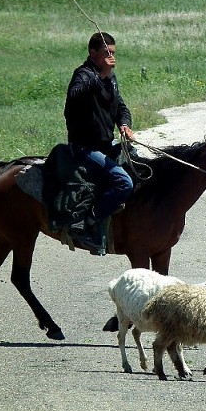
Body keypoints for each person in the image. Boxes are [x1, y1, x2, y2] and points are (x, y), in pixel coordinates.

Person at [64, 32, 134, 252]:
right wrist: (100, 76)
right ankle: (87, 224)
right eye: (106, 53)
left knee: (138, 166)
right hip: (84, 148)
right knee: (125, 182)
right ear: (92, 53)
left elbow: (121, 107)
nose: (111, 58)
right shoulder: (83, 74)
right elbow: (74, 97)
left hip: (105, 147)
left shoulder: (110, 79)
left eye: (113, 53)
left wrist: (124, 124)